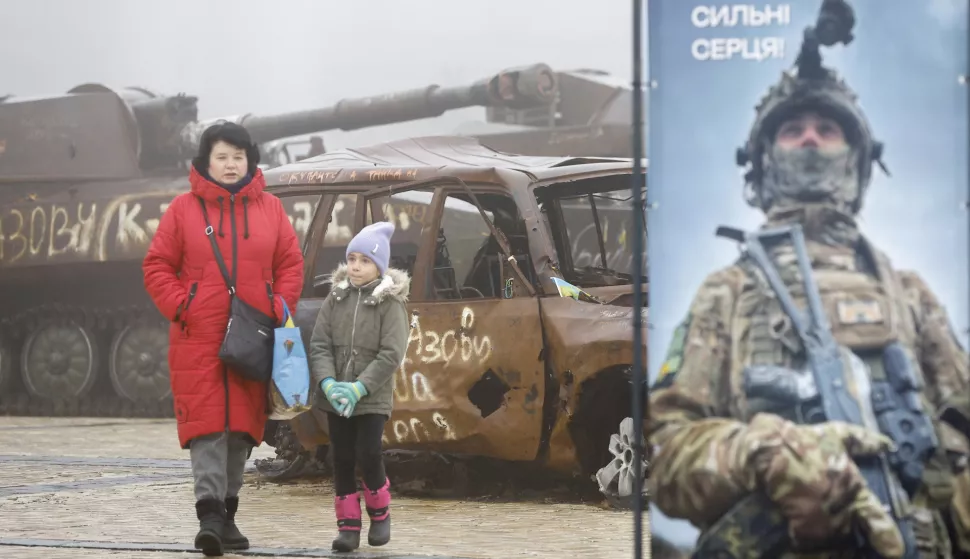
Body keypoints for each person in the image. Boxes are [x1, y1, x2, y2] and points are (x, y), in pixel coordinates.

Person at [647, 42, 970, 559]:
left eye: (828, 129)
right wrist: (764, 453)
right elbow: (662, 453)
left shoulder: (911, 295)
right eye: (793, 130)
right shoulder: (726, 292)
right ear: (766, 159)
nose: (812, 142)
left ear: (857, 158)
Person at [143, 121, 305, 557]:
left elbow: (291, 263)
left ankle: (228, 517)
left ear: (250, 160)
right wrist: (183, 306)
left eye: (238, 156)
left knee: (242, 432)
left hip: (252, 333)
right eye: (222, 156)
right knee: (208, 428)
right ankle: (210, 516)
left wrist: (277, 305)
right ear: (206, 162)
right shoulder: (183, 209)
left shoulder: (270, 208)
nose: (231, 164)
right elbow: (157, 265)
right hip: (199, 336)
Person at [308, 220, 410, 553]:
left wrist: (359, 388)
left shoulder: (390, 303)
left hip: (371, 397)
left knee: (368, 453)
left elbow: (391, 353)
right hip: (336, 397)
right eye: (352, 258)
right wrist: (328, 383)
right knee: (341, 457)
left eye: (364, 260)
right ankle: (348, 527)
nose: (355, 266)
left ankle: (380, 514)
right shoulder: (336, 298)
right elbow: (320, 344)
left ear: (378, 265)